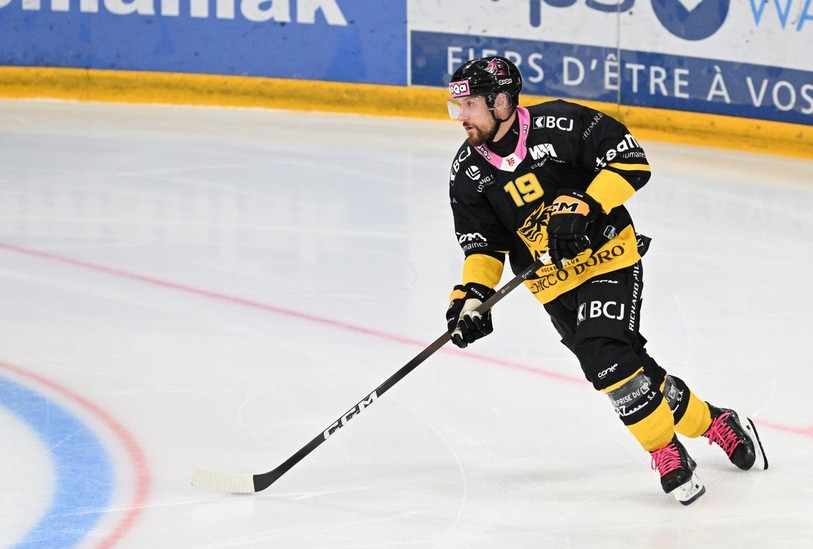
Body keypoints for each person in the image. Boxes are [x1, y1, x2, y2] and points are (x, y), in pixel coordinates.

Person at [443, 56, 768, 505]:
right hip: (552, 286)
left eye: (469, 105)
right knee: (633, 369)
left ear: (501, 102)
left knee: (605, 358)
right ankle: (715, 421)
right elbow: (483, 246)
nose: (460, 116)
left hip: (608, 256)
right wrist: (472, 297)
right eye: (457, 106)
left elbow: (631, 161)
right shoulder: (467, 173)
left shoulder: (560, 123)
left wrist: (586, 204)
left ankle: (665, 451)